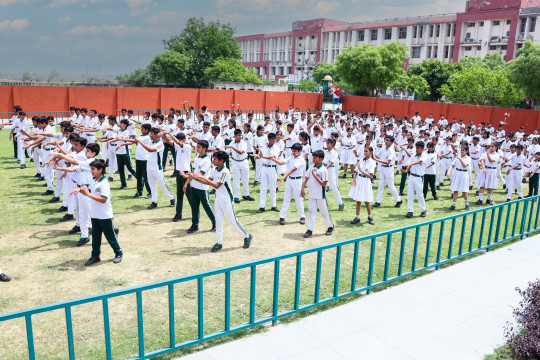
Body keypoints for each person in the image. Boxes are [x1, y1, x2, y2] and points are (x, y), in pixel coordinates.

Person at [192, 151, 253, 252]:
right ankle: (219, 243)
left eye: (215, 159)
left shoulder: (225, 171)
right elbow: (208, 180)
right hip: (218, 199)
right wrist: (196, 178)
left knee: (233, 221)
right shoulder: (215, 169)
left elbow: (216, 185)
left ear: (221, 161)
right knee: (219, 222)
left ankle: (247, 236)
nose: (213, 161)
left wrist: (201, 177)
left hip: (227, 201)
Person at [70, 159, 123, 266]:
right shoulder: (93, 180)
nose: (91, 171)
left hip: (104, 215)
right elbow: (87, 188)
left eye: (93, 169)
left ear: (100, 170)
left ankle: (118, 252)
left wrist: (88, 195)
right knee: (95, 237)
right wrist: (80, 189)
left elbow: (104, 199)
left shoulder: (104, 183)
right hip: (95, 214)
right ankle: (95, 256)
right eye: (91, 168)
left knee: (110, 236)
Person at [53, 142, 100, 246]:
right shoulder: (87, 161)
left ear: (93, 153)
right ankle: (84, 236)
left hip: (87, 191)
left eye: (88, 151)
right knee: (82, 214)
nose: (86, 152)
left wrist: (61, 155)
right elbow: (73, 168)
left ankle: (110, 228)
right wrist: (59, 168)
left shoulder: (92, 162)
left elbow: (75, 162)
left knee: (93, 214)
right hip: (81, 189)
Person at [135, 127, 176, 209]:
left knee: (162, 184)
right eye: (150, 133)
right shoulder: (151, 142)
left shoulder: (160, 144)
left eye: (152, 134)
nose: (150, 135)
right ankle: (154, 202)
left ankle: (171, 198)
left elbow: (150, 150)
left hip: (157, 168)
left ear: (156, 135)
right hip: (149, 167)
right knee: (152, 185)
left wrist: (139, 141)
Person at [184, 140, 216, 233]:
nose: (197, 148)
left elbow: (199, 174)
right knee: (194, 206)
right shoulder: (197, 158)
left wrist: (187, 175)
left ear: (204, 149)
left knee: (207, 206)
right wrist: (186, 183)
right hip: (194, 186)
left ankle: (215, 222)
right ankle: (195, 225)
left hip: (202, 187)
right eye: (197, 147)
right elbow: (193, 172)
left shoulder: (207, 161)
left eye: (199, 147)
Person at [300, 150, 334, 238]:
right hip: (311, 194)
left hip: (320, 195)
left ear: (321, 159)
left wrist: (315, 176)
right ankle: (309, 229)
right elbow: (306, 178)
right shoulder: (311, 167)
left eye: (315, 157)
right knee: (311, 212)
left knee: (324, 212)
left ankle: (330, 226)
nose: (313, 159)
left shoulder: (324, 170)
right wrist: (302, 189)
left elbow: (324, 184)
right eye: (313, 157)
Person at [163, 131, 192, 222]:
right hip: (179, 172)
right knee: (179, 195)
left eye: (179, 140)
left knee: (189, 195)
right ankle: (178, 213)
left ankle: (195, 211)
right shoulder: (177, 146)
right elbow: (167, 141)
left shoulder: (187, 146)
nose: (177, 141)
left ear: (183, 140)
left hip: (186, 173)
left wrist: (170, 134)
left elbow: (178, 143)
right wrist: (164, 133)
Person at [277, 143, 306, 225]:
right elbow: (281, 162)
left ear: (300, 151)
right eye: (292, 151)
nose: (293, 153)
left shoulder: (301, 160)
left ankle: (302, 216)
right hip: (290, 180)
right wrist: (271, 158)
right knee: (286, 198)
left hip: (297, 181)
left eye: (295, 151)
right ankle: (282, 216)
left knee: (299, 199)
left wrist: (283, 177)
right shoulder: (291, 157)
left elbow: (292, 169)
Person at [373, 136, 403, 208]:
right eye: (386, 140)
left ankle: (398, 200)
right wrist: (374, 154)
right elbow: (377, 155)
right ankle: (378, 201)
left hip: (389, 169)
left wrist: (377, 160)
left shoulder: (391, 151)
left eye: (388, 140)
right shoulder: (384, 148)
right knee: (380, 185)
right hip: (383, 168)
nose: (386, 141)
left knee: (391, 186)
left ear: (392, 142)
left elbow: (387, 162)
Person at [254, 132, 281, 213]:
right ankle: (262, 206)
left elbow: (272, 157)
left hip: (272, 168)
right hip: (264, 168)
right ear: (269, 139)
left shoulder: (276, 148)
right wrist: (257, 156)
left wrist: (262, 156)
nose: (274, 140)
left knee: (273, 188)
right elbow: (260, 156)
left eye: (275, 139)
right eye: (273, 139)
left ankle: (273, 205)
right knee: (263, 188)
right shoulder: (264, 148)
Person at [226, 129, 254, 203]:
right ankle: (236, 196)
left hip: (244, 161)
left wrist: (231, 147)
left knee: (245, 179)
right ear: (234, 136)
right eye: (238, 135)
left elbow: (241, 152)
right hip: (235, 162)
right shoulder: (232, 143)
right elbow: (227, 153)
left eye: (241, 135)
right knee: (236, 179)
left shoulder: (244, 143)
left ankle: (246, 194)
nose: (240, 136)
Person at [349, 146, 376, 225]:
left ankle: (369, 216)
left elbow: (370, 175)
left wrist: (361, 170)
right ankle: (357, 217)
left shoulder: (372, 162)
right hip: (359, 180)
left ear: (371, 152)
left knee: (367, 201)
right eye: (364, 151)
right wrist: (354, 180)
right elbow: (356, 171)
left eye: (366, 151)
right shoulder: (361, 160)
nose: (365, 153)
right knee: (358, 200)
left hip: (366, 181)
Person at [402, 141, 427, 218]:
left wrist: (409, 164)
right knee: (410, 194)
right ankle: (410, 211)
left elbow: (418, 162)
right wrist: (406, 170)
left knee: (419, 195)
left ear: (422, 149)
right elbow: (409, 165)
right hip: (412, 176)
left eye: (418, 148)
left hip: (419, 177)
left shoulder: (424, 156)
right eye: (416, 148)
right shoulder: (413, 155)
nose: (416, 149)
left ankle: (423, 210)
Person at [110, 119, 137, 190]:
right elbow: (115, 137)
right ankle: (123, 184)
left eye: (121, 123)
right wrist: (109, 140)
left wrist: (114, 139)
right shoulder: (119, 131)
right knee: (120, 169)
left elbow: (119, 138)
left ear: (125, 125)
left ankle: (140, 179)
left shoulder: (126, 132)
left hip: (125, 152)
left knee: (129, 168)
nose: (120, 124)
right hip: (118, 152)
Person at [447, 145, 471, 210]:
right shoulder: (457, 157)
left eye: (463, 150)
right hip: (457, 173)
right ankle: (453, 205)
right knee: (455, 190)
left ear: (467, 151)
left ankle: (467, 203)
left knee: (464, 190)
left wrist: (460, 159)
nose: (462, 151)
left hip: (464, 174)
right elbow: (452, 165)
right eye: (461, 150)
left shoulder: (468, 158)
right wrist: (448, 172)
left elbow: (465, 165)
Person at [324, 138, 344, 211]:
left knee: (334, 187)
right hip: (324, 169)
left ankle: (340, 203)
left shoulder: (334, 153)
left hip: (330, 170)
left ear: (332, 144)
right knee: (323, 187)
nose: (327, 144)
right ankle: (323, 204)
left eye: (328, 143)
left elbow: (331, 163)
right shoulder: (325, 152)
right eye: (326, 143)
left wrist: (324, 168)